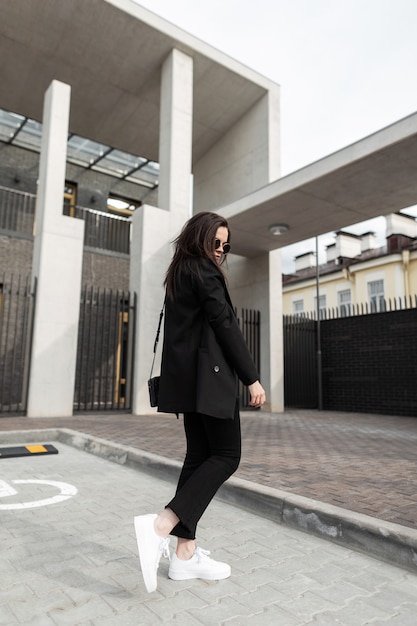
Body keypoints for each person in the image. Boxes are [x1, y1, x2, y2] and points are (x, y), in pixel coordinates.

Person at [134, 211, 266, 593]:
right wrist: (251, 377)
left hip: (189, 386)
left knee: (198, 459)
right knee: (227, 455)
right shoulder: (203, 272)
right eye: (216, 243)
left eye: (226, 245)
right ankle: (161, 524)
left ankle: (184, 555)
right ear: (199, 239)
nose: (221, 251)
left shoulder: (178, 273)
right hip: (211, 383)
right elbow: (225, 325)